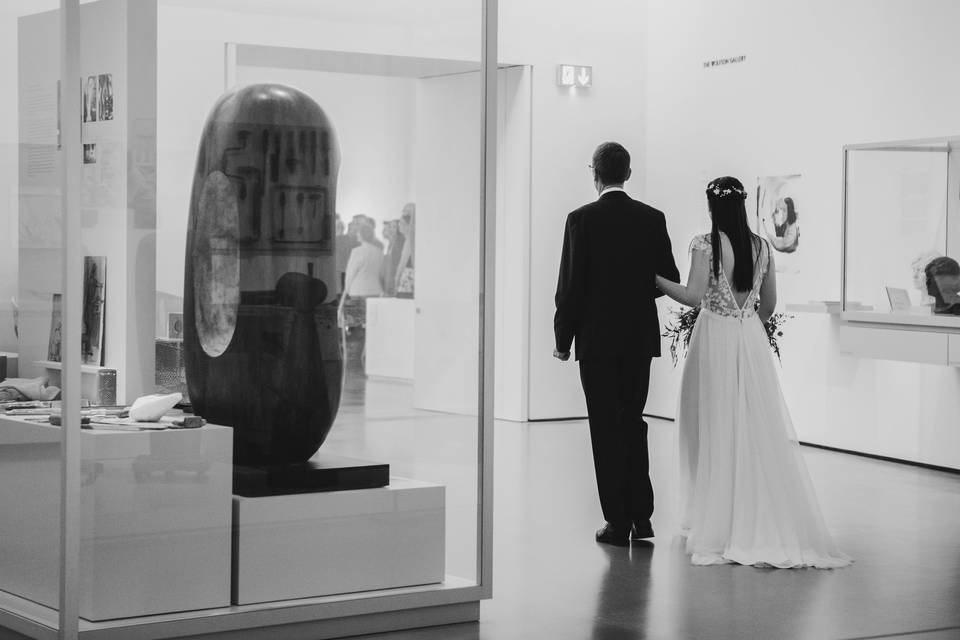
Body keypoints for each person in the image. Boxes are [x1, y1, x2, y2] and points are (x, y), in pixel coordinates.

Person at [655, 176, 851, 569]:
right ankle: (747, 513)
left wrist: (654, 280)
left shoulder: (705, 244)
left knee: (708, 424)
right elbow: (770, 303)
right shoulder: (762, 246)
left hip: (714, 338)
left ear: (712, 206)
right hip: (749, 338)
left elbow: (693, 296)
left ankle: (715, 519)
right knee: (750, 426)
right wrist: (746, 323)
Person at [553, 142, 680, 547]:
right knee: (633, 422)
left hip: (596, 343)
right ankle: (642, 517)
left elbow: (569, 288)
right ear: (628, 172)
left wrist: (563, 338)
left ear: (595, 173)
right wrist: (634, 295)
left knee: (605, 429)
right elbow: (667, 277)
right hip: (638, 339)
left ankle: (616, 522)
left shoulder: (580, 220)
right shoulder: (652, 218)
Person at [343, 221, 385, 299]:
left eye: (358, 232)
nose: (357, 234)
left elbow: (350, 272)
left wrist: (347, 288)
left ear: (362, 235)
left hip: (358, 290)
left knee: (358, 311)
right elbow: (381, 273)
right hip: (375, 290)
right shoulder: (379, 252)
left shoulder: (357, 251)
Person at [395, 203, 415, 298]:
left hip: (407, 281)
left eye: (402, 223)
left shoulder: (410, 239)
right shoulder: (409, 239)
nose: (399, 225)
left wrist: (397, 278)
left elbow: (403, 262)